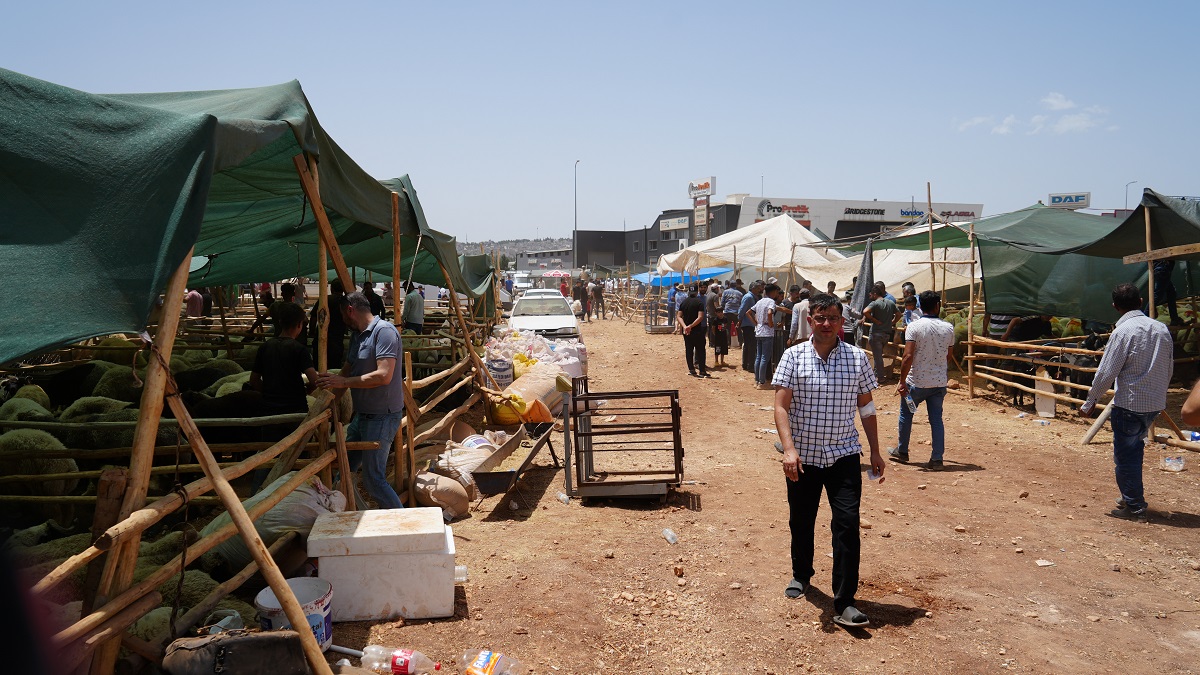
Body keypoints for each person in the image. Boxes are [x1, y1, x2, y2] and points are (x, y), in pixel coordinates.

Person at [773, 292, 884, 628]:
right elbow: (781, 407)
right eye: (820, 318)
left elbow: (866, 407)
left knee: (847, 525)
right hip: (803, 458)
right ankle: (801, 574)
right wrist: (789, 449)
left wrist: (876, 450)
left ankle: (845, 602)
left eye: (832, 318)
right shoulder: (793, 357)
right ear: (810, 320)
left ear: (841, 322)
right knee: (801, 520)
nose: (826, 324)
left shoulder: (857, 358)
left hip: (844, 455)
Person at [1079, 283, 1174, 520]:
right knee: (1134, 449)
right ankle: (1128, 494)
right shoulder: (1161, 329)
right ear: (1140, 302)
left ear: (1115, 306)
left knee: (1126, 456)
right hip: (1153, 403)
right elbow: (1169, 366)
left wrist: (1091, 400)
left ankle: (1135, 506)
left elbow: (1106, 372)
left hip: (1130, 404)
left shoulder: (1123, 332)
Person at [316, 292, 406, 510]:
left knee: (374, 479)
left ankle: (405, 525)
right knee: (344, 470)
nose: (342, 321)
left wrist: (344, 381)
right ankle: (354, 513)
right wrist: (329, 402)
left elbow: (384, 375)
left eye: (342, 315)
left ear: (350, 310)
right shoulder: (358, 336)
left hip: (382, 415)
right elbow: (348, 370)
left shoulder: (384, 332)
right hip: (362, 416)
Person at [889, 291, 956, 469]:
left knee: (907, 414)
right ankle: (937, 459)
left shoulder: (914, 327)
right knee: (936, 420)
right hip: (938, 384)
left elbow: (907, 356)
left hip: (915, 384)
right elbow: (948, 356)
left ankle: (902, 451)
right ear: (937, 306)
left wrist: (902, 381)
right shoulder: (948, 328)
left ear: (920, 306)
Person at [309, 279, 347, 370]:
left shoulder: (325, 300)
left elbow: (313, 318)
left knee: (319, 368)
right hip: (337, 340)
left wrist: (311, 332)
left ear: (331, 288)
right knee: (334, 369)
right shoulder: (345, 302)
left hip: (321, 338)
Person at [862, 287, 898, 382]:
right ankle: (876, 374)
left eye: (870, 295)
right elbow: (898, 314)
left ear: (875, 294)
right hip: (886, 334)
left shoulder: (875, 303)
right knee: (878, 355)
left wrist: (874, 320)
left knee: (877, 357)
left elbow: (865, 311)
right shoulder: (890, 303)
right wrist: (892, 322)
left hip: (876, 333)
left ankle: (881, 377)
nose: (870, 296)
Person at [751, 283, 783, 389]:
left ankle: (757, 380)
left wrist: (756, 323)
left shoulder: (760, 301)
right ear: (773, 292)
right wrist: (770, 324)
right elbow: (770, 313)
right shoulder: (771, 302)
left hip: (759, 331)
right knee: (765, 357)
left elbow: (748, 312)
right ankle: (762, 382)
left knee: (758, 356)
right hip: (767, 332)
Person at [677, 284, 710, 377]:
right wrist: (691, 326)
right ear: (697, 292)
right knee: (700, 350)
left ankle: (691, 370)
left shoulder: (684, 302)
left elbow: (679, 316)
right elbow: (700, 317)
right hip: (697, 330)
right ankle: (702, 371)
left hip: (687, 331)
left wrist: (685, 326)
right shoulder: (699, 302)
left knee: (689, 349)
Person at [739, 281, 763, 373]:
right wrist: (740, 320)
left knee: (748, 345)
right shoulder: (749, 297)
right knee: (751, 345)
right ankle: (749, 365)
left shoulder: (752, 297)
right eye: (757, 288)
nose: (759, 290)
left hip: (749, 324)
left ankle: (746, 364)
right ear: (753, 288)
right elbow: (742, 310)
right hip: (748, 324)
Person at [1153, 257, 1183, 326]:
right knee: (1157, 295)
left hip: (1162, 268)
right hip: (1162, 268)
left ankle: (1174, 319)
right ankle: (1145, 316)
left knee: (1171, 292)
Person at [705, 281, 728, 367]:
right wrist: (719, 312)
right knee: (713, 329)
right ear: (716, 289)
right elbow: (716, 305)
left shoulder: (708, 294)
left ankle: (711, 342)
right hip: (714, 315)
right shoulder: (715, 296)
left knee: (710, 329)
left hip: (710, 314)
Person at [721, 280, 745, 350]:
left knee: (727, 328)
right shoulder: (740, 293)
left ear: (729, 285)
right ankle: (740, 343)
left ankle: (728, 344)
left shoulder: (725, 292)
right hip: (736, 312)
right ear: (736, 285)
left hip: (727, 312)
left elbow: (722, 303)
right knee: (738, 328)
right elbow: (741, 304)